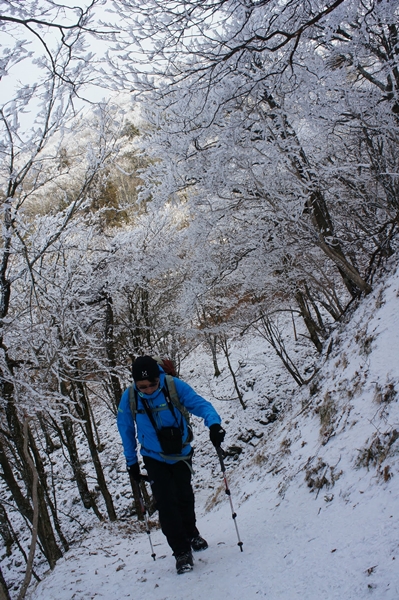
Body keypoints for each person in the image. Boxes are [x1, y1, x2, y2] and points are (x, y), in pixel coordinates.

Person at [117, 355, 226, 574]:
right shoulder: (129, 398)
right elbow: (126, 430)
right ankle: (181, 552)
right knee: (166, 503)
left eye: (152, 384)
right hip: (153, 457)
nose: (148, 390)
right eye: (142, 386)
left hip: (181, 453)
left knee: (184, 496)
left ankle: (191, 533)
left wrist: (214, 424)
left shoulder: (173, 386)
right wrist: (132, 463)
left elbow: (200, 405)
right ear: (135, 383)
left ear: (159, 377)